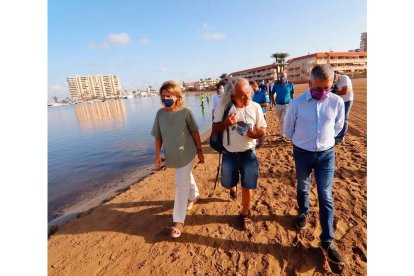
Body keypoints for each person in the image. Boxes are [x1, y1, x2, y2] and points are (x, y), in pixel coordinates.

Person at [283, 65, 345, 264]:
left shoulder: (336, 102)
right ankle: (303, 211)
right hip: (302, 153)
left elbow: (338, 126)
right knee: (303, 185)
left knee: (325, 194)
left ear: (332, 84)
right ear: (309, 84)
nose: (323, 93)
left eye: (327, 88)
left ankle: (327, 240)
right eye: (318, 88)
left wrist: (324, 142)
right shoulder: (297, 104)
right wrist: (304, 141)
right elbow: (288, 130)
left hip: (326, 154)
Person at [151, 80, 205, 238]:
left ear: (177, 96)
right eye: (163, 96)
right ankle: (194, 195)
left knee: (180, 184)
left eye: (169, 95)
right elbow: (158, 136)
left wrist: (200, 151)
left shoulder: (186, 112)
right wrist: (157, 157)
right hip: (172, 155)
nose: (166, 98)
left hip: (187, 153)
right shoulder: (160, 114)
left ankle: (179, 220)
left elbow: (195, 132)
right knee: (185, 176)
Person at [212, 77, 267, 230]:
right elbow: (215, 128)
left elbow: (263, 128)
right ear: (232, 96)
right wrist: (226, 123)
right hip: (229, 154)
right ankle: (232, 188)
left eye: (248, 92)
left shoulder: (255, 107)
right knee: (229, 182)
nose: (247, 97)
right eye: (242, 94)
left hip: (248, 153)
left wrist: (255, 134)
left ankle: (245, 213)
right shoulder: (223, 106)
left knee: (247, 185)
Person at [332, 71, 354, 144]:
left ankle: (341, 138)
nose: (334, 80)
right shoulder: (333, 81)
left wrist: (335, 91)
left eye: (335, 78)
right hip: (339, 100)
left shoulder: (344, 78)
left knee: (344, 118)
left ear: (338, 75)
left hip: (347, 100)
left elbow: (344, 91)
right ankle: (336, 134)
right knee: (336, 118)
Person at [272, 71, 295, 140]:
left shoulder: (290, 84)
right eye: (281, 76)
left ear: (286, 76)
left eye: (283, 75)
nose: (282, 77)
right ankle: (283, 131)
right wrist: (273, 103)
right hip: (278, 105)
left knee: (283, 120)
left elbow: (292, 94)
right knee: (281, 120)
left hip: (287, 105)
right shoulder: (276, 85)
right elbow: (272, 93)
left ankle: (283, 135)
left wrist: (292, 102)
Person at [250, 80, 270, 147]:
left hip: (261, 113)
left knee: (261, 128)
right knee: (253, 128)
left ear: (255, 86)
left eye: (251, 88)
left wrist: (256, 105)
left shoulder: (263, 93)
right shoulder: (251, 94)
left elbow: (267, 104)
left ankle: (261, 143)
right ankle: (254, 142)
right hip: (252, 114)